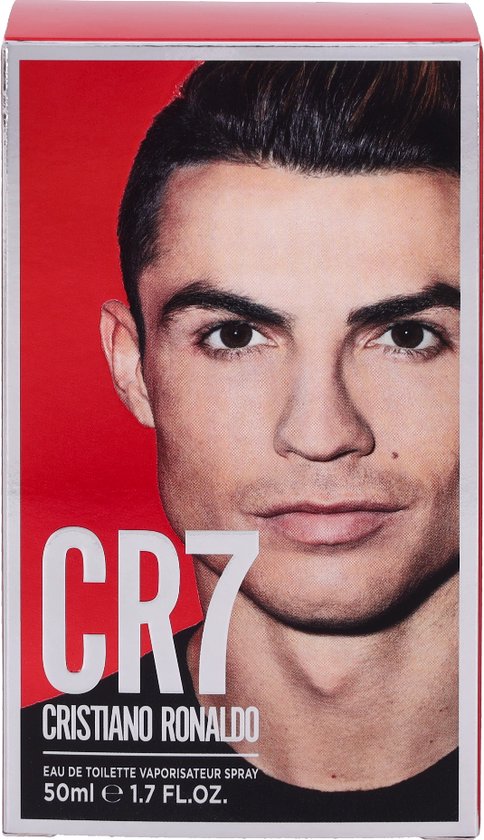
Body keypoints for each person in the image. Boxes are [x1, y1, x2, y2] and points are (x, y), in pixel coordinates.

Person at [23, 60, 460, 823]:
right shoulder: (26, 794)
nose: (321, 434)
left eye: (406, 336)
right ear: (133, 369)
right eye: (234, 336)